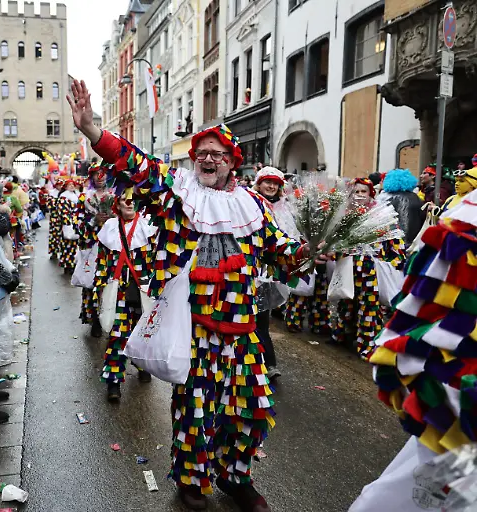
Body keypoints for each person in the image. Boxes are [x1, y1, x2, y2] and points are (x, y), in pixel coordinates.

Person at [68, 79, 325, 511]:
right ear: (194, 160)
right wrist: (95, 133)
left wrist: (310, 250)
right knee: (195, 412)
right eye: (201, 153)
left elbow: (281, 252)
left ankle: (235, 477)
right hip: (196, 329)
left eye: (217, 154)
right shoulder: (176, 194)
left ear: (231, 162)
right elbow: (139, 166)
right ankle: (191, 480)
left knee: (250, 408)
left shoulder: (253, 206)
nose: (208, 159)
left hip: (242, 331)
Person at [351, 187, 477, 511]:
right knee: (440, 491)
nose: (361, 195)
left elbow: (400, 243)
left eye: (366, 191)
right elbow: (425, 304)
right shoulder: (466, 221)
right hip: (459, 392)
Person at [330, 178, 406, 360]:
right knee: (345, 300)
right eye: (356, 192)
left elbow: (395, 241)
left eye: (363, 192)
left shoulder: (382, 215)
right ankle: (342, 334)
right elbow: (333, 240)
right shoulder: (343, 214)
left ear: (371, 194)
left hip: (371, 269)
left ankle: (368, 344)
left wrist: (394, 260)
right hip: (348, 266)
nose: (359, 195)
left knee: (369, 306)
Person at [94, 196, 157, 400]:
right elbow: (102, 263)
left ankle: (142, 364)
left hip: (144, 291)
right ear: (117, 204)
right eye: (125, 200)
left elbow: (158, 261)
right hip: (118, 291)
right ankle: (113, 382)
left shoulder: (149, 226)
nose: (129, 203)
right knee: (117, 336)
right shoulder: (109, 227)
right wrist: (100, 291)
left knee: (143, 333)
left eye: (133, 200)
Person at [252, 167, 293, 379]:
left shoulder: (282, 208)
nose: (271, 186)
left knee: (261, 319)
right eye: (268, 182)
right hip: (248, 268)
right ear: (258, 183)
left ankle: (268, 364)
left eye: (275, 183)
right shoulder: (248, 202)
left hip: (267, 270)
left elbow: (285, 237)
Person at [78, 163, 114, 337]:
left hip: (111, 246)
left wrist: (112, 219)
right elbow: (77, 223)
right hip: (92, 246)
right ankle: (94, 320)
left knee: (111, 282)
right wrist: (94, 220)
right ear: (91, 177)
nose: (100, 177)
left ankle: (111, 319)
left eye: (104, 174)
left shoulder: (115, 195)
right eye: (96, 174)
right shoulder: (85, 197)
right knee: (92, 284)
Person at [378, 168, 424, 246]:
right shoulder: (415, 198)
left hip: (388, 241)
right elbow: (422, 217)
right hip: (412, 240)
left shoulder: (383, 197)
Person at [57, 179, 80, 274]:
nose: (71, 186)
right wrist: (69, 222)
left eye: (72, 184)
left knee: (74, 246)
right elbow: (63, 212)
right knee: (67, 245)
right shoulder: (63, 197)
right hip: (68, 224)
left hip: (76, 223)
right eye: (69, 184)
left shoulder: (76, 195)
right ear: (65, 187)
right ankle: (67, 265)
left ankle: (72, 264)